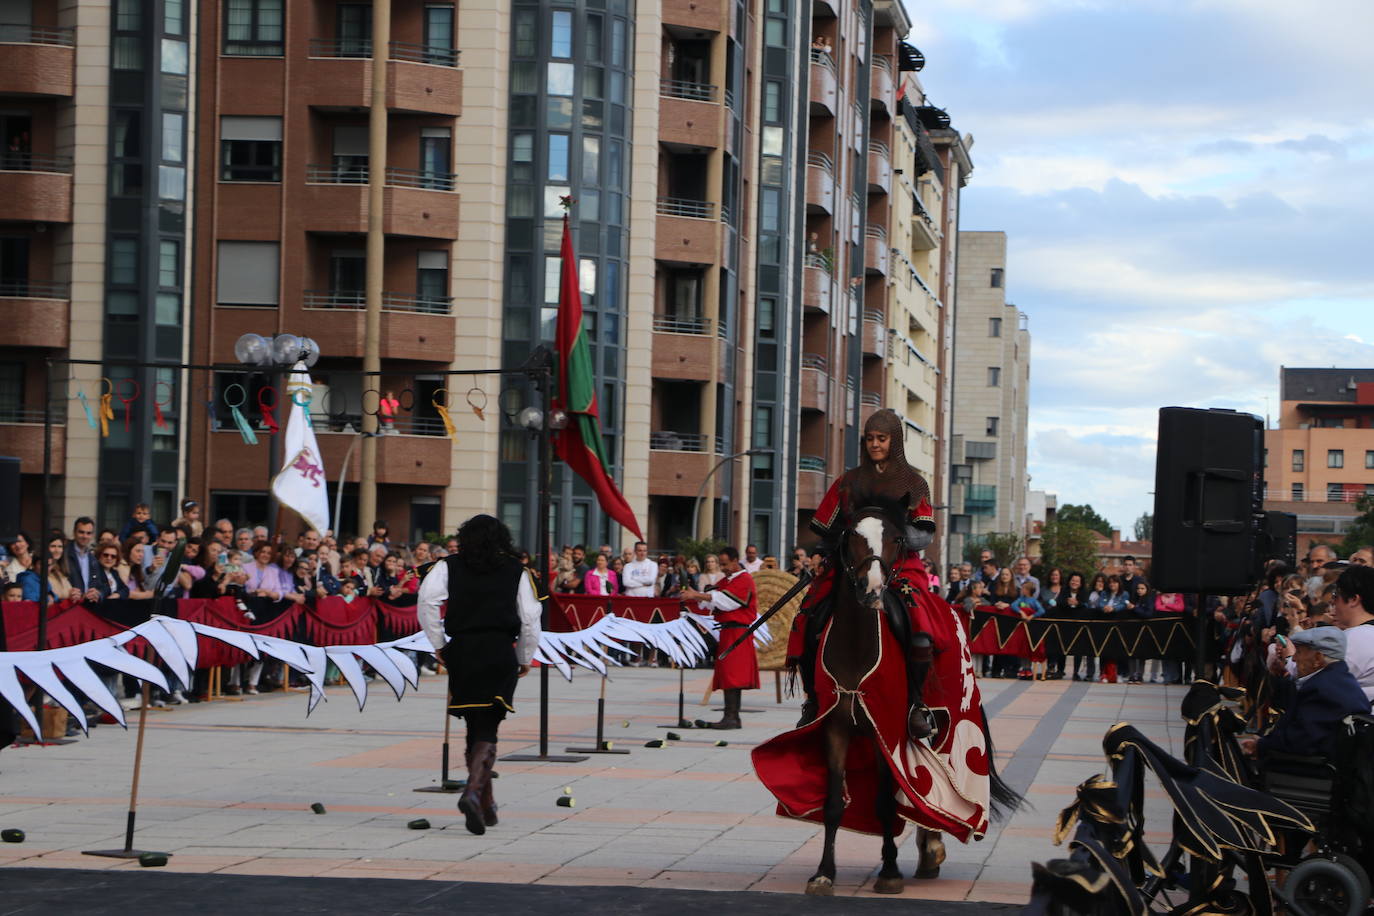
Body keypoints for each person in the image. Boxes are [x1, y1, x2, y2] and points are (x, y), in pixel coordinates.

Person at [416, 514, 540, 836]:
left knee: (474, 722)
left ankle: (486, 803)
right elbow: (529, 618)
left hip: (464, 651)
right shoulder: (516, 569)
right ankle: (472, 791)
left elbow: (427, 601)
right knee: (488, 725)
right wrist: (525, 655)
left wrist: (438, 644)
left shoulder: (448, 566)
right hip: (499, 649)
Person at [1242, 627, 1368, 760]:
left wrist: (1261, 745)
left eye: (1299, 653)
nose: (1294, 659)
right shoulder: (1341, 680)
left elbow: (1299, 740)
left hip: (1311, 771)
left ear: (1318, 658)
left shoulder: (1321, 689)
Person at [680, 546, 760, 729]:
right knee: (728, 673)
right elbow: (710, 600)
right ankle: (731, 716)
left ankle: (732, 717)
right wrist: (693, 594)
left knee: (733, 674)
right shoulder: (728, 580)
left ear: (734, 561)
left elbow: (726, 601)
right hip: (728, 631)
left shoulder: (744, 579)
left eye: (725, 564)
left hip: (738, 632)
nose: (722, 568)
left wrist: (697, 594)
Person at [1328, 565, 1374, 705]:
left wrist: (1288, 658)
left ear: (1354, 599)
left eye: (1336, 596)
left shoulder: (1354, 638)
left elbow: (1317, 680)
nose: (1332, 602)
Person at [66, 516, 98, 594]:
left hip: (87, 603)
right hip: (69, 602)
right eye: (81, 532)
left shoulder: (93, 558)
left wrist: (98, 593)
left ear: (92, 535)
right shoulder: (65, 554)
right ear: (74, 532)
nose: (85, 536)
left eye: (88, 533)